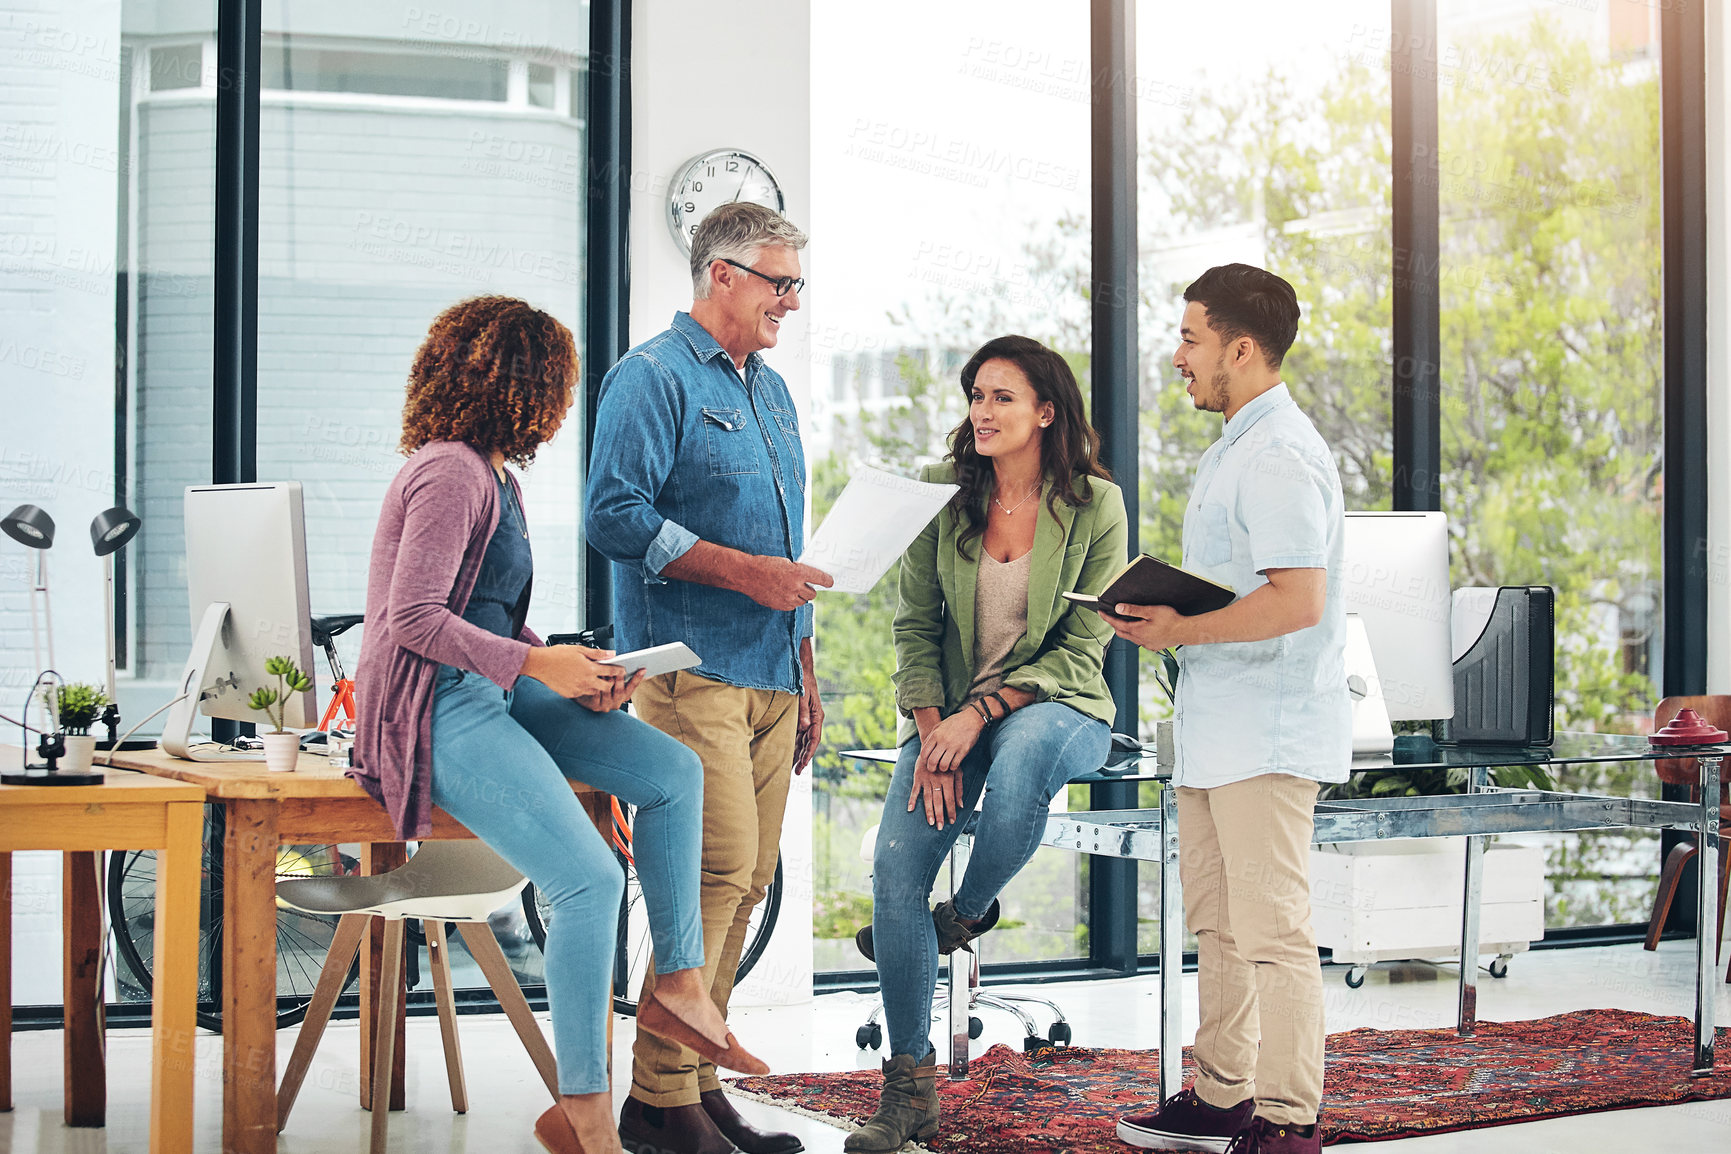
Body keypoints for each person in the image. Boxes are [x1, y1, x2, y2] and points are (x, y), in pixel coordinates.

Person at [349, 296, 768, 1154]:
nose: (566, 405)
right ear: (526, 384)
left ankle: (678, 982)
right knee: (588, 882)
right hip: (434, 702)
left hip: (488, 686)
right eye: (560, 385)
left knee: (670, 773)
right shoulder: (450, 472)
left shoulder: (494, 475)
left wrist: (575, 671)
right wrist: (541, 666)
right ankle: (580, 1112)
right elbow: (412, 620)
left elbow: (489, 616)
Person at [585, 203, 832, 1154]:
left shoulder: (769, 392)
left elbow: (787, 553)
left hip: (771, 673)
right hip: (692, 677)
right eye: (780, 282)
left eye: (797, 284)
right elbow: (614, 515)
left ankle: (687, 1083)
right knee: (713, 877)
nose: (792, 302)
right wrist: (744, 573)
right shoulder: (649, 378)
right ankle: (658, 1100)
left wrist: (805, 670)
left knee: (749, 879)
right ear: (720, 274)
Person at [844, 335, 1127, 1154]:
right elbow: (914, 625)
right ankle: (907, 1093)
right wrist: (935, 731)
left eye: (1001, 396)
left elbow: (1083, 642)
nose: (982, 410)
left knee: (1022, 759)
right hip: (952, 716)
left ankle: (960, 918)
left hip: (1059, 704)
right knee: (894, 875)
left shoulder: (1093, 505)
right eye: (975, 396)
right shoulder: (945, 496)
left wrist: (981, 713)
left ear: (1045, 412)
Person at [1108, 264, 1348, 1154]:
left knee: (1273, 930)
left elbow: (1297, 600)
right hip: (1220, 729)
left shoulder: (1282, 453)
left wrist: (1182, 629)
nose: (1177, 357)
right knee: (1217, 923)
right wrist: (1171, 619)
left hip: (1270, 729)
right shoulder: (1234, 445)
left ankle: (1289, 1120)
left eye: (1189, 340)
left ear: (1240, 349)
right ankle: (1222, 1096)